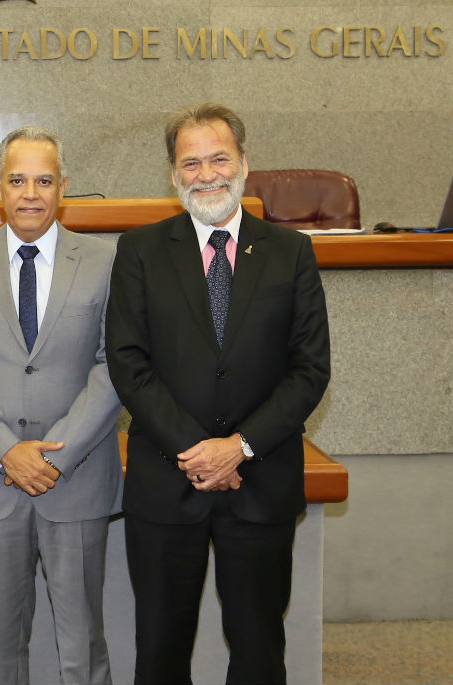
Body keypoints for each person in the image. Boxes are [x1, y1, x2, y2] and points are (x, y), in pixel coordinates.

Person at [105, 102, 331, 685]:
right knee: (159, 650)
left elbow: (309, 370)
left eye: (219, 158)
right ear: (173, 174)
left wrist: (239, 447)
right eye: (191, 163)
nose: (207, 174)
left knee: (258, 649)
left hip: (261, 482)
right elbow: (129, 365)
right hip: (166, 482)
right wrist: (199, 450)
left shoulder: (291, 251)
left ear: (244, 163)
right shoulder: (140, 250)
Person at [0, 126, 123, 685]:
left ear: (63, 187)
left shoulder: (105, 260)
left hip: (78, 476)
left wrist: (55, 456)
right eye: (18, 179)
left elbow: (115, 364)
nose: (31, 193)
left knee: (82, 646)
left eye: (44, 180)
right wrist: (5, 451)